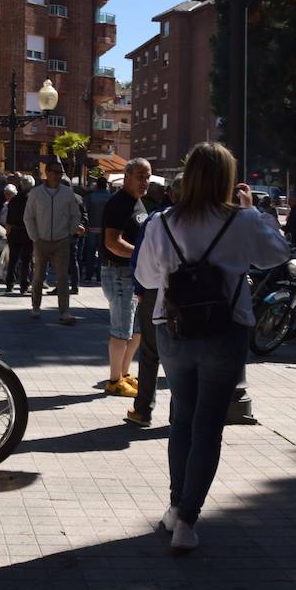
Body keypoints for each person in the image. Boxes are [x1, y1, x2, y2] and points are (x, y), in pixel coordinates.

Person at [134, 142, 290, 552]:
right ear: (225, 178)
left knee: (181, 418)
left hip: (174, 329)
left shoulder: (161, 222)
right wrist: (256, 209)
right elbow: (277, 255)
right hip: (226, 329)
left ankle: (174, 505)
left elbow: (148, 279)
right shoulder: (244, 220)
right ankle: (188, 520)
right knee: (208, 426)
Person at [100, 159, 152, 395]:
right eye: (140, 176)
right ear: (127, 176)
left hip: (135, 274)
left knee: (137, 329)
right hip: (118, 272)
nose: (145, 182)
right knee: (122, 329)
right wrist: (142, 253)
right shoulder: (119, 203)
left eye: (148, 176)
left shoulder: (138, 202)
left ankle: (124, 373)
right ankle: (113, 381)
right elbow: (112, 243)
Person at [125, 175, 174, 428]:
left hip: (156, 291)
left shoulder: (157, 219)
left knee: (150, 353)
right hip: (195, 295)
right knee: (183, 357)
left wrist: (140, 288)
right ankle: (179, 415)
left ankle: (143, 410)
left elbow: (140, 260)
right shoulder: (207, 220)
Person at [23, 161, 84, 325]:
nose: (58, 176)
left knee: (63, 277)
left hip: (61, 240)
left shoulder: (67, 193)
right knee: (38, 277)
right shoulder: (36, 193)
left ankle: (64, 311)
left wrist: (69, 234)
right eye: (55, 172)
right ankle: (35, 307)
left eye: (60, 173)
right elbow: (28, 217)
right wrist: (34, 237)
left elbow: (75, 215)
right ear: (47, 173)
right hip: (41, 240)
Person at [4, 176, 32, 294]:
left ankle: (10, 284)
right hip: (28, 232)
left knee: (13, 260)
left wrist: (8, 231)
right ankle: (24, 285)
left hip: (14, 232)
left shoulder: (13, 200)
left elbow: (8, 219)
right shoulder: (32, 200)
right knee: (26, 260)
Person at [83, 178, 113, 283]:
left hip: (92, 228)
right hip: (105, 229)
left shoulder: (91, 197)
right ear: (106, 185)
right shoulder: (111, 197)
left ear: (97, 185)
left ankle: (88, 275)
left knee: (90, 253)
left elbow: (85, 211)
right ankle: (100, 276)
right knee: (102, 254)